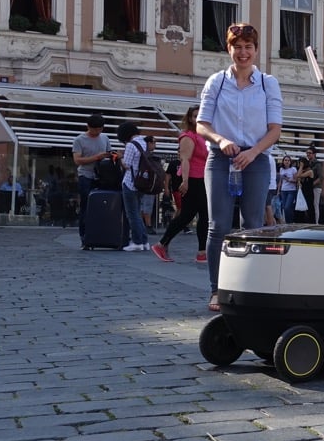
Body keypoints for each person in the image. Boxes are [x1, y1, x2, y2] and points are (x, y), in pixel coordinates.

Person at [198, 22, 282, 312]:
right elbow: (201, 124)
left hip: (256, 159)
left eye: (248, 47)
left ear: (256, 50)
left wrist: (255, 151)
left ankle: (251, 288)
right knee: (218, 226)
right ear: (229, 49)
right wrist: (220, 140)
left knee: (253, 225)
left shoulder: (268, 83)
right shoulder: (216, 82)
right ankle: (216, 290)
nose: (243, 52)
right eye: (238, 47)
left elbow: (274, 129)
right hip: (222, 159)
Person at [154, 107, 209, 264]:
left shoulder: (203, 136)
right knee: (201, 214)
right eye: (195, 116)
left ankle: (163, 244)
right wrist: (185, 181)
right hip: (193, 178)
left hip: (201, 178)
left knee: (189, 215)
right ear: (190, 119)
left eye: (201, 115)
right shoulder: (188, 136)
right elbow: (185, 159)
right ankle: (201, 252)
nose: (198, 118)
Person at [72, 114, 113, 249]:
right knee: (86, 207)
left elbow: (108, 155)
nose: (97, 132)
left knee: (102, 207)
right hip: (86, 176)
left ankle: (101, 235)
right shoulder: (79, 140)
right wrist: (96, 157)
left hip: (102, 176)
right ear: (88, 127)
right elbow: (77, 160)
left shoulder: (105, 138)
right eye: (94, 129)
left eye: (99, 129)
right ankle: (85, 238)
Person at [117, 122, 151, 252]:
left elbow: (127, 165)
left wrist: (120, 157)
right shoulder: (144, 142)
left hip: (130, 183)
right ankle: (144, 241)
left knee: (132, 214)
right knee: (137, 213)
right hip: (142, 183)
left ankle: (137, 241)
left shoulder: (131, 145)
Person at [277, 154, 299, 223]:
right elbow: (280, 181)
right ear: (283, 161)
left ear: (290, 162)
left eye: (288, 160)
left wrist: (288, 179)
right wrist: (278, 191)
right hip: (283, 190)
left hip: (291, 190)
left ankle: (290, 222)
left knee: (287, 207)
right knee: (284, 208)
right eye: (285, 160)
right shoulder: (281, 169)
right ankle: (288, 222)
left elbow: (296, 180)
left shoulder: (293, 169)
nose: (287, 161)